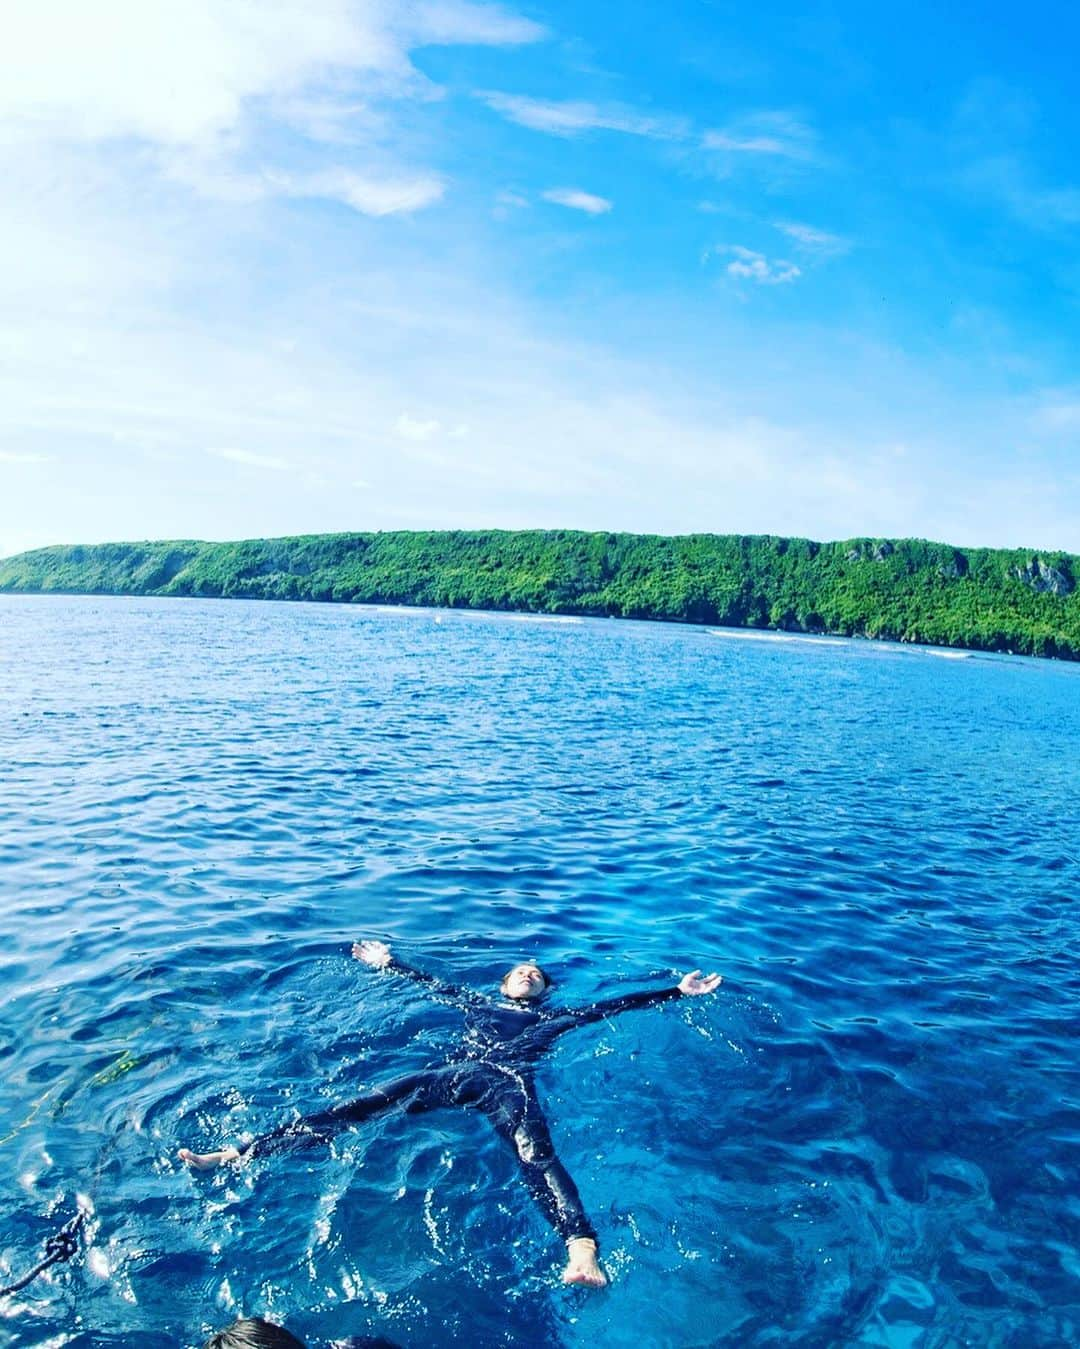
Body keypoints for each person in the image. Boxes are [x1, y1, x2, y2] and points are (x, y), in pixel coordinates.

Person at [181, 943, 722, 1289]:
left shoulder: (555, 1019)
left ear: (544, 990)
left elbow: (608, 1007)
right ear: (503, 986)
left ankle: (581, 1249)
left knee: (536, 1153)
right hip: (450, 1074)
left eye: (536, 973)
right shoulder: (477, 1004)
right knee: (358, 1106)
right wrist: (388, 962)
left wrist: (673, 993)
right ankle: (238, 1153)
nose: (528, 973)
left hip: (510, 1085)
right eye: (520, 971)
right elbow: (432, 984)